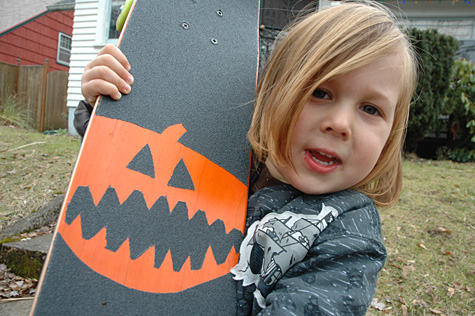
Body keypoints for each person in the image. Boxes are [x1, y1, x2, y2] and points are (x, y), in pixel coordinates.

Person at [75, 2, 417, 315]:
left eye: (370, 109)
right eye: (320, 93)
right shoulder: (229, 156)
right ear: (273, 95)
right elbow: (143, 158)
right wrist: (105, 104)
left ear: (390, 137)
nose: (340, 124)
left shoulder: (349, 234)